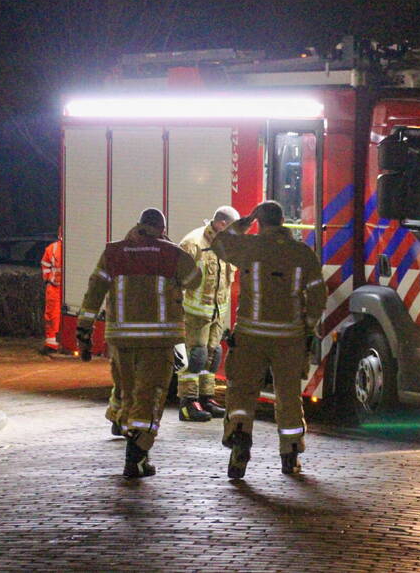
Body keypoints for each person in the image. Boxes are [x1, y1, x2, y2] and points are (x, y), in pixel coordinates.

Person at [75, 208, 201, 479]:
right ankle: (137, 456)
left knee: (128, 392)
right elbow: (195, 279)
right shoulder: (170, 254)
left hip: (121, 340)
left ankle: (123, 427)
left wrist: (83, 331)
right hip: (158, 340)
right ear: (161, 228)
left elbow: (94, 291)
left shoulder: (113, 253)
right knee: (149, 395)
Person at [211, 200, 327, 478]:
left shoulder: (248, 247)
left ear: (259, 222)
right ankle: (290, 453)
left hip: (250, 336)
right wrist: (307, 328)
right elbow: (317, 297)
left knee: (241, 392)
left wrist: (243, 222)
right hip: (289, 338)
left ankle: (240, 442)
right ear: (283, 220)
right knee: (288, 395)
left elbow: (219, 243)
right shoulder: (303, 254)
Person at [176, 206, 239, 422]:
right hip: (195, 314)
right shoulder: (193, 243)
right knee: (196, 357)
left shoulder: (226, 246)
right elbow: (176, 279)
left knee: (213, 356)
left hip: (216, 313)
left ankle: (205, 399)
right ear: (221, 224)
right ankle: (187, 404)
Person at [39, 229, 63, 355]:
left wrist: (48, 279)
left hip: (58, 286)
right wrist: (48, 279)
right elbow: (45, 264)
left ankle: (54, 342)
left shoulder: (53, 248)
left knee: (54, 314)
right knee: (51, 314)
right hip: (55, 286)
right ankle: (51, 343)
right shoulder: (52, 248)